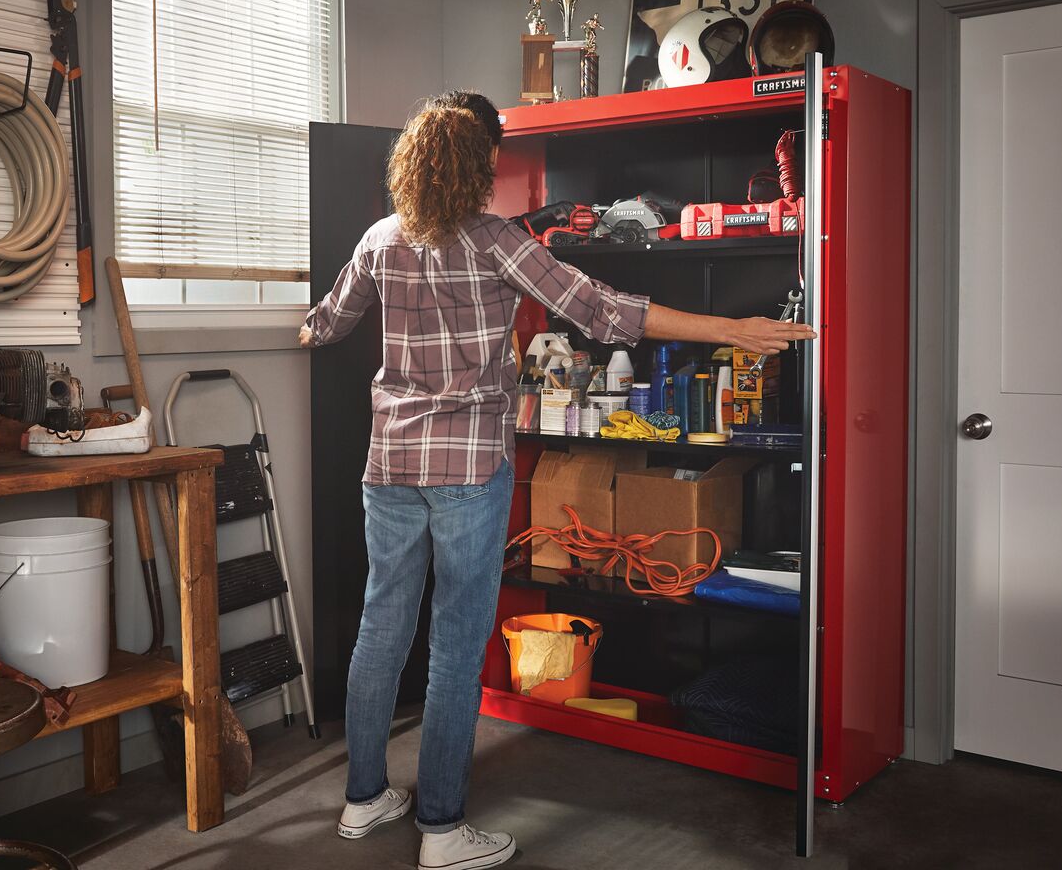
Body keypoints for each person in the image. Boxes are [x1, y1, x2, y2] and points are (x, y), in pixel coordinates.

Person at [300, 91, 814, 870]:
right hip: (469, 468)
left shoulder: (379, 239)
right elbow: (606, 311)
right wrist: (731, 329)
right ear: (478, 166)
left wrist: (303, 326)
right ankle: (441, 831)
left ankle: (364, 800)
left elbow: (326, 323)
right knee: (455, 644)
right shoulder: (496, 240)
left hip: (391, 464)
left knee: (381, 627)